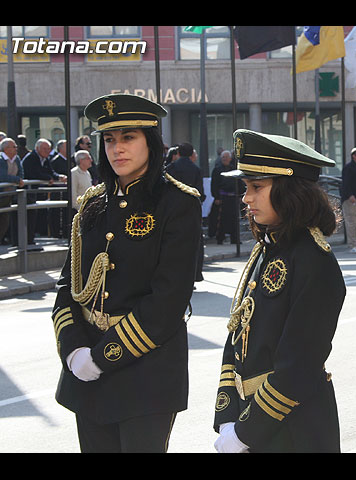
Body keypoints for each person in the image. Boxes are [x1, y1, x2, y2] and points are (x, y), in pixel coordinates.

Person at [50, 93, 202, 453]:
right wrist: (74, 351)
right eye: (109, 140)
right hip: (85, 370)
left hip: (146, 373)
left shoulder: (178, 203)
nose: (117, 149)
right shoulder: (93, 201)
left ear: (151, 141)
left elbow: (168, 300)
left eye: (128, 138)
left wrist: (102, 357)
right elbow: (68, 285)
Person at [213, 128, 345, 453]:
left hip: (294, 429)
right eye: (246, 187)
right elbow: (237, 336)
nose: (246, 197)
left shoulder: (314, 260)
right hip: (254, 422)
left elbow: (297, 363)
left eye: (257, 187)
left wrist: (246, 432)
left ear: (290, 190)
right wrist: (228, 414)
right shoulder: (267, 249)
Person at [166, 142, 206, 282]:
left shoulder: (171, 168)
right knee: (193, 243)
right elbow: (200, 192)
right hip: (191, 209)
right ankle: (193, 274)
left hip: (173, 209)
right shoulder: (195, 169)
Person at [22, 138, 67, 246]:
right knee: (27, 216)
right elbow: (34, 173)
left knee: (34, 215)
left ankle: (30, 239)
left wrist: (58, 177)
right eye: (45, 149)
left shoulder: (45, 159)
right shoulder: (31, 158)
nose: (47, 151)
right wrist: (48, 178)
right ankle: (26, 240)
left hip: (35, 192)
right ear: (37, 148)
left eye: (49, 149)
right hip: (26, 192)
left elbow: (50, 171)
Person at [209, 149, 242, 244]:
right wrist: (216, 197)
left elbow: (239, 183)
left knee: (234, 219)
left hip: (233, 198)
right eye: (223, 157)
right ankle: (220, 238)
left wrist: (240, 195)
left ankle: (235, 239)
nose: (224, 159)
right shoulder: (217, 170)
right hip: (222, 198)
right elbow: (214, 185)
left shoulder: (234, 169)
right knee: (221, 219)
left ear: (230, 159)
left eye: (226, 157)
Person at [0, 137, 25, 244]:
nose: (16, 148)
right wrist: (16, 180)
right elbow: (2, 176)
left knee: (5, 220)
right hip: (1, 194)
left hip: (8, 195)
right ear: (6, 149)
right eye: (14, 147)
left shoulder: (17, 158)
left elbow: (21, 173)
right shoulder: (1, 159)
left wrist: (18, 179)